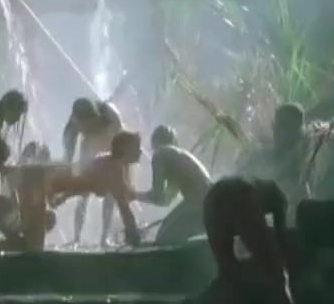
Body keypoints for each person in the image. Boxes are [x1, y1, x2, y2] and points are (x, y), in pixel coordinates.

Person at [203, 177, 297, 304]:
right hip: (239, 196)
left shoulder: (261, 187)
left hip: (212, 200)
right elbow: (280, 243)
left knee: (227, 275)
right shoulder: (278, 198)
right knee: (278, 277)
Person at [48, 131, 142, 247]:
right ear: (125, 150)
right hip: (56, 183)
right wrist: (133, 232)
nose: (140, 151)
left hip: (62, 184)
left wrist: (63, 197)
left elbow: (85, 184)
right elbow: (124, 207)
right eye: (136, 148)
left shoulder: (112, 164)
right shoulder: (113, 169)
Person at [236, 103, 313, 222]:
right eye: (279, 126)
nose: (280, 132)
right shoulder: (258, 157)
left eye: (287, 127)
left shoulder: (305, 167)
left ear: (298, 133)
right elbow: (236, 187)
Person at [62, 98, 124, 245]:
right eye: (80, 127)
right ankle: (76, 238)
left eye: (85, 126)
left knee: (111, 191)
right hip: (89, 146)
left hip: (112, 143)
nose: (82, 129)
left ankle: (104, 238)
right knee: (83, 191)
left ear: (94, 118)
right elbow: (68, 157)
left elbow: (121, 150)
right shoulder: (73, 126)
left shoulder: (112, 116)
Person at [138, 125, 213, 245]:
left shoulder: (160, 153)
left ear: (154, 142)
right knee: (168, 232)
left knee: (164, 238)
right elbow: (165, 201)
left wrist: (133, 195)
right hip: (212, 203)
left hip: (198, 202)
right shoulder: (178, 156)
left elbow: (157, 195)